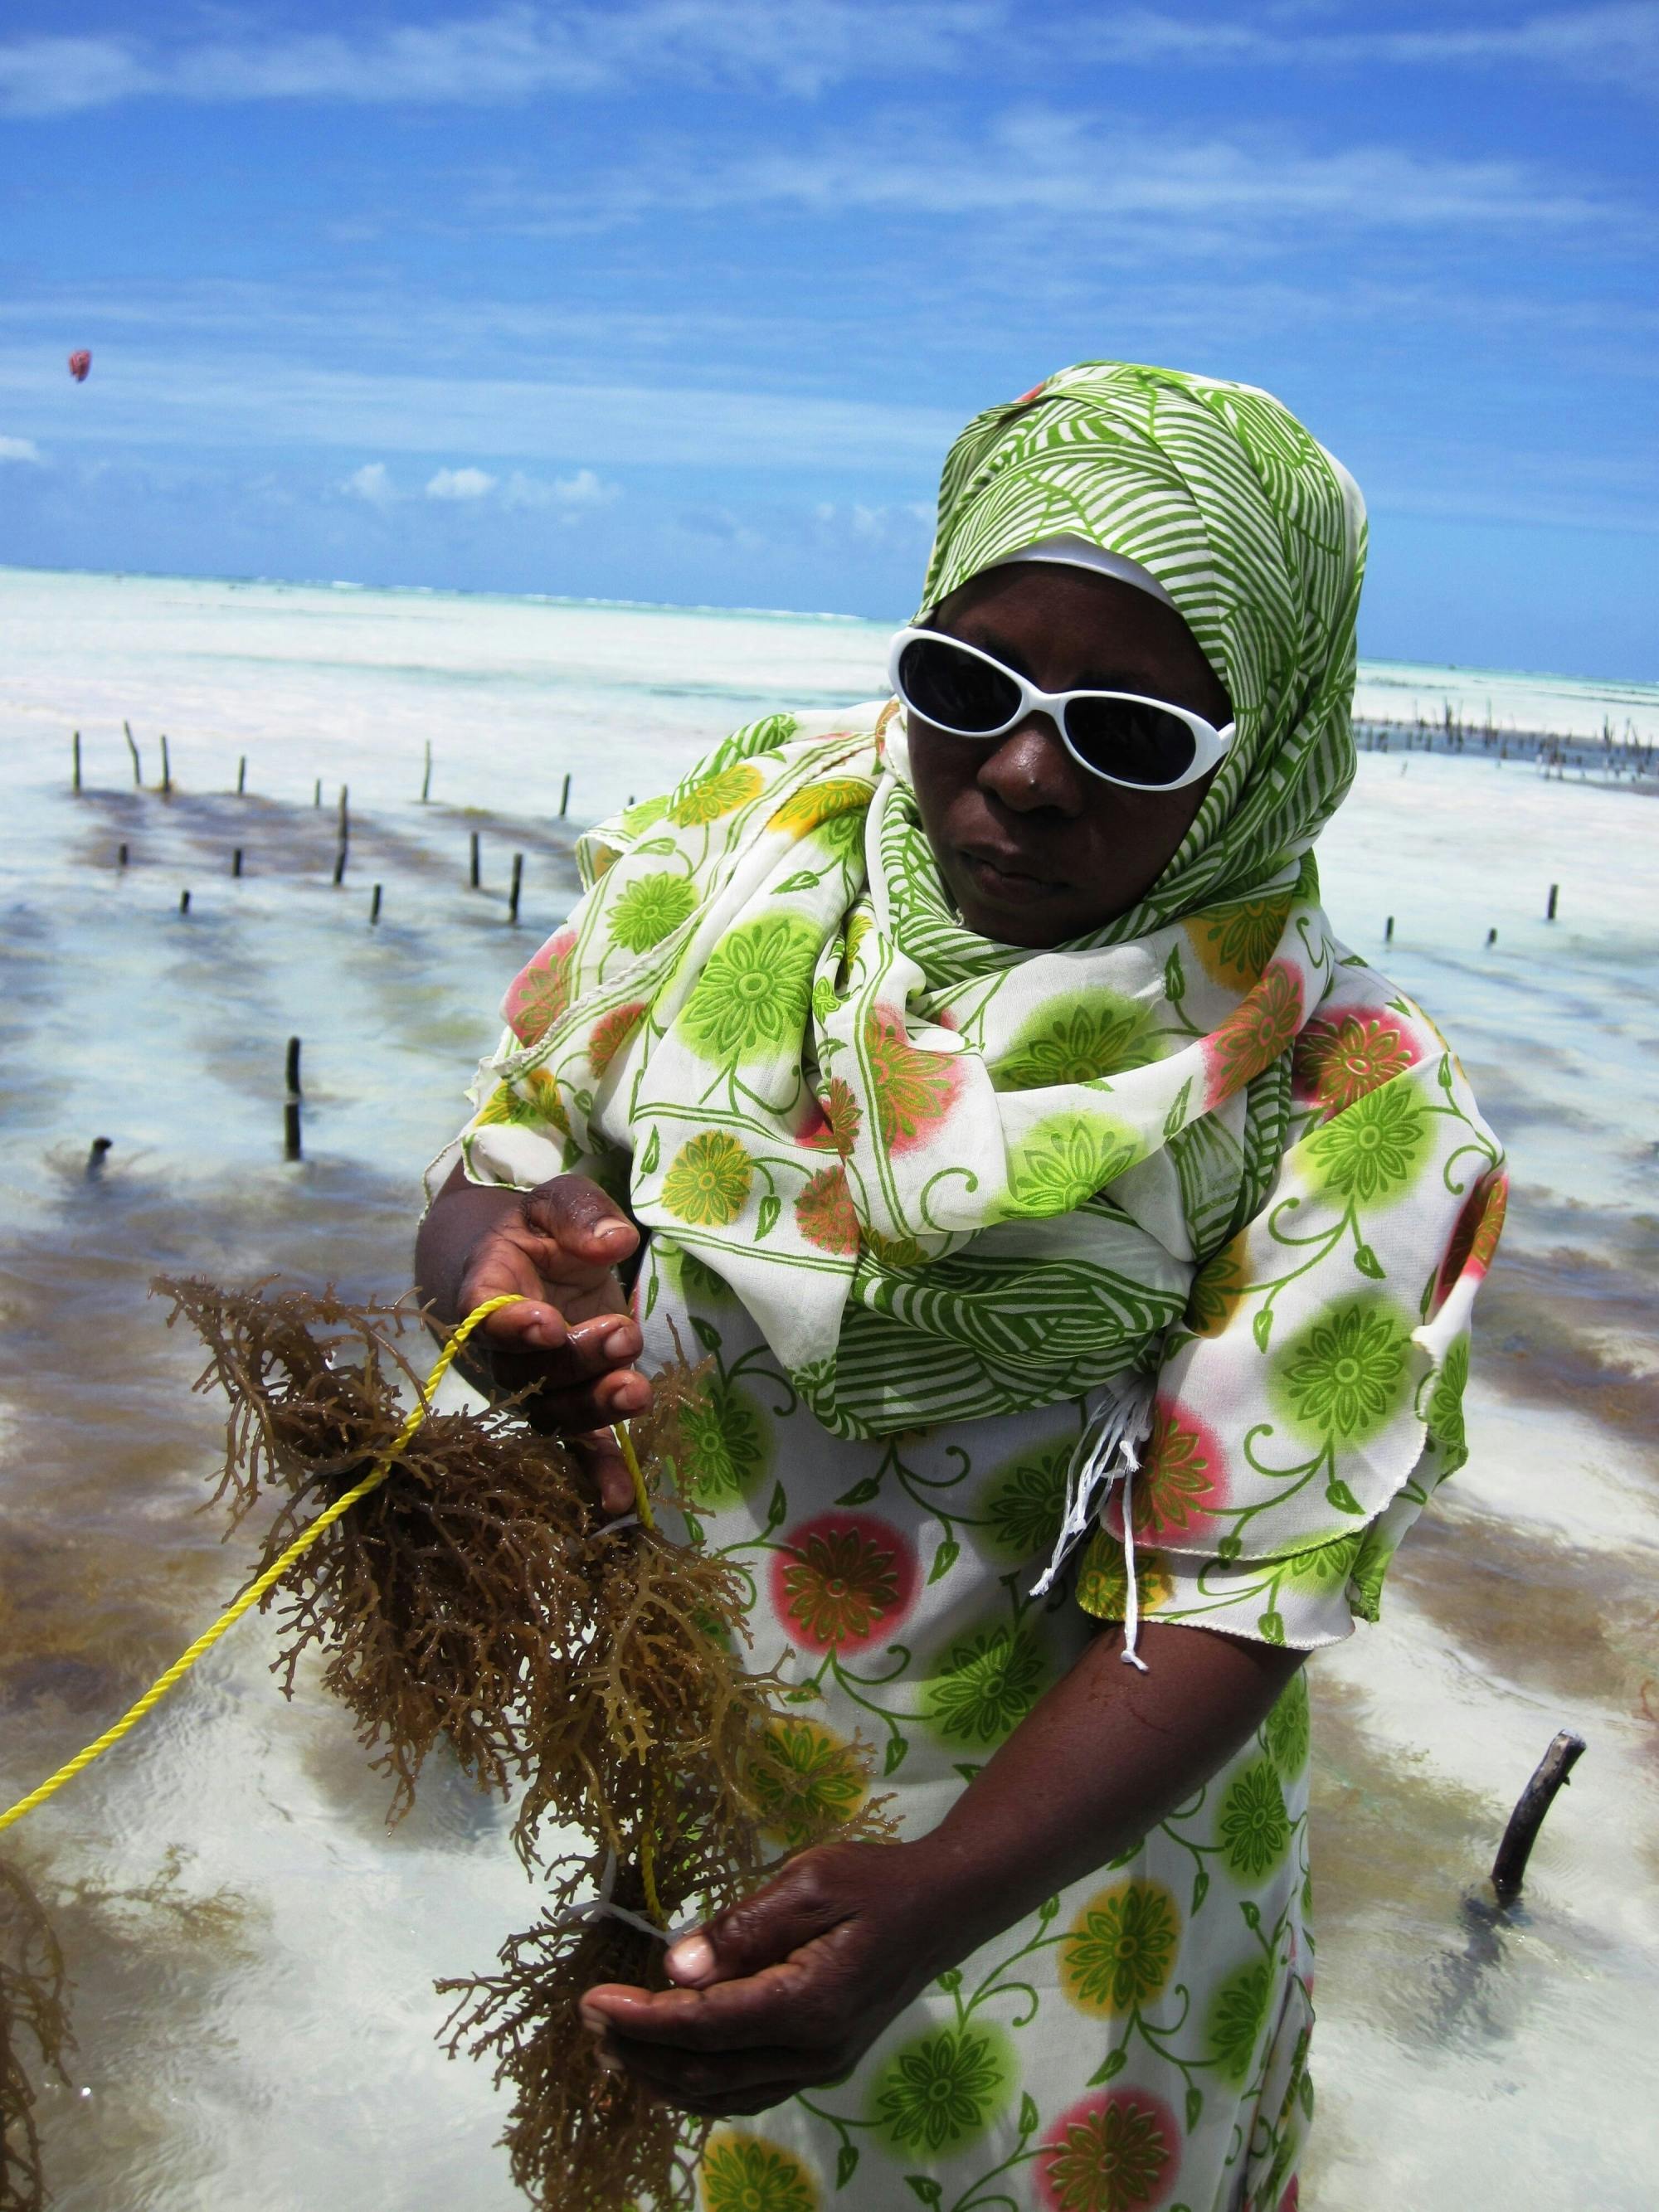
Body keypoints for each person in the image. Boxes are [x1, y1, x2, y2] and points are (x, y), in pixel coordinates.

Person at [416, 360, 1505, 2212]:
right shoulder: (746, 853)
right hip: (696, 1765)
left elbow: (1237, 1589)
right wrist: (496, 1287)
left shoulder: (1350, 1098)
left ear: (1261, 748)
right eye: (965, 683)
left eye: (1132, 733)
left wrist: (936, 1900)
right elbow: (513, 1161)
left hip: (1075, 1883)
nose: (1022, 771)